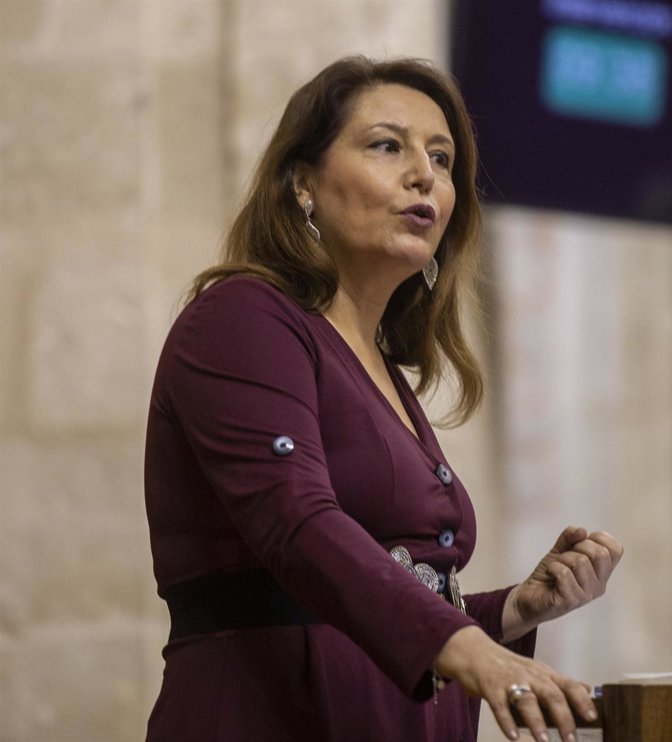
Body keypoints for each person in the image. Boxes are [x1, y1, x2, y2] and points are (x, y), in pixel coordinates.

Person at [143, 55, 623, 742]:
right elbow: (297, 522)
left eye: (441, 158)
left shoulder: (378, 364)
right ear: (302, 182)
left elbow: (395, 591)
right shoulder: (242, 318)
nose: (424, 174)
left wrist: (513, 611)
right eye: (387, 146)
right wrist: (469, 650)